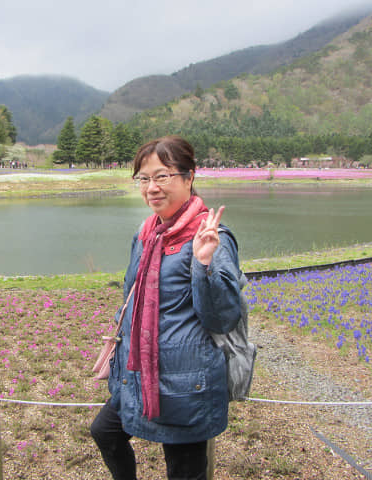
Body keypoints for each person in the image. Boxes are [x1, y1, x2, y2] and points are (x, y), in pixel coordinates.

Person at [90, 135, 245, 480]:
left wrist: (204, 265)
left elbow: (222, 318)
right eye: (144, 179)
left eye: (162, 176)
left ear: (189, 178)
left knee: (185, 472)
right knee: (106, 433)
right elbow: (132, 294)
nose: (151, 188)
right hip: (138, 372)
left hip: (185, 381)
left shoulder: (211, 237)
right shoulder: (147, 233)